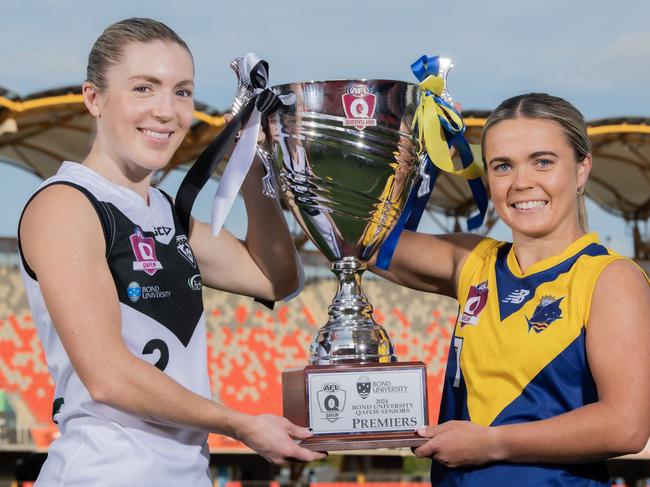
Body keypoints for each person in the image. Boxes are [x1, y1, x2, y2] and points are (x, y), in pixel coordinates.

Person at [17, 18, 324, 487]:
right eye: (144, 88)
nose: (167, 110)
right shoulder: (66, 204)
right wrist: (240, 424)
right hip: (103, 473)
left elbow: (276, 280)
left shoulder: (162, 210)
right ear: (93, 98)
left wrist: (249, 167)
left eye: (182, 91)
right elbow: (108, 377)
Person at [370, 93, 650, 486]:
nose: (521, 182)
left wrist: (492, 443)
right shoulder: (472, 261)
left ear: (582, 168)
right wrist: (405, 153)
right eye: (503, 166)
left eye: (543, 162)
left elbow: (625, 426)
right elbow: (362, 242)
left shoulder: (610, 277)